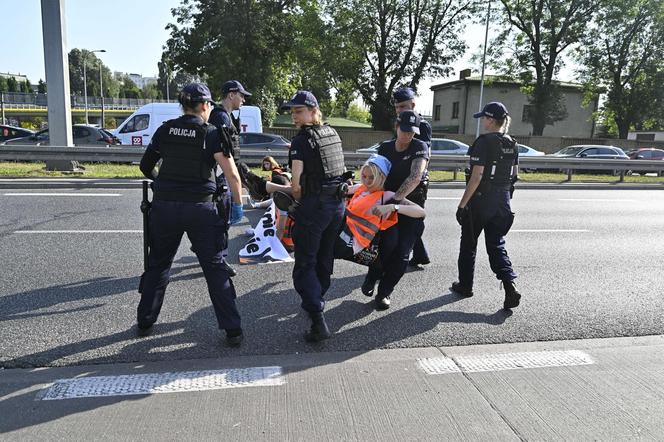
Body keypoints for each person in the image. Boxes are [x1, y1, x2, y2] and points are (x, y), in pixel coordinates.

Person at [137, 83, 244, 346]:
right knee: (215, 268)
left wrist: (164, 184)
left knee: (159, 264)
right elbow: (232, 174)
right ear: (206, 105)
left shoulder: (165, 130)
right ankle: (233, 330)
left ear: (183, 106)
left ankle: (145, 319)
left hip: (165, 208)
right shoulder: (211, 133)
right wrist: (238, 205)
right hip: (201, 209)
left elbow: (145, 166)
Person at [281, 90, 346, 342]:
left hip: (315, 207)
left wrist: (295, 201)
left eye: (298, 111)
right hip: (337, 206)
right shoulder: (332, 133)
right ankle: (317, 298)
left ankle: (318, 321)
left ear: (313, 111)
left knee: (305, 263)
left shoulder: (300, 141)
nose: (294, 116)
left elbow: (296, 185)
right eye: (292, 112)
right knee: (324, 256)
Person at [450, 101, 521, 310]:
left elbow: (477, 176)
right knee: (496, 244)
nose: (482, 122)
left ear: (491, 120)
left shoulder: (483, 142)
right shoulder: (512, 143)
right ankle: (510, 287)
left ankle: (465, 286)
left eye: (484, 118)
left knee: (468, 244)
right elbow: (514, 174)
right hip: (503, 201)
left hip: (481, 201)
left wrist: (462, 205)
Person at [362, 110, 430, 309]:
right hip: (384, 206)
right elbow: (373, 173)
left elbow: (415, 176)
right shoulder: (385, 148)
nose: (407, 135)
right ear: (397, 127)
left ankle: (384, 292)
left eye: (412, 132)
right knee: (385, 248)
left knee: (402, 254)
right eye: (404, 130)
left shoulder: (420, 147)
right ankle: (372, 275)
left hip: (408, 206)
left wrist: (395, 200)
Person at [335, 154, 426, 263]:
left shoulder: (387, 195)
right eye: (364, 176)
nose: (367, 181)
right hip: (343, 233)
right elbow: (340, 191)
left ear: (382, 177)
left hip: (354, 242)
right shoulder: (361, 188)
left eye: (372, 177)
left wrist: (392, 207)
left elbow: (421, 212)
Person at [207, 80, 252, 276]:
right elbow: (225, 154)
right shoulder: (220, 118)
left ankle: (207, 246)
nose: (243, 99)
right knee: (222, 220)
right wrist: (237, 196)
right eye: (241, 95)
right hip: (220, 176)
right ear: (231, 94)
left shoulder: (224, 116)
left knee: (219, 220)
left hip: (221, 174)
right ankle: (219, 259)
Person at [392, 87, 432, 268]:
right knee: (405, 219)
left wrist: (417, 177)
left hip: (416, 180)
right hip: (402, 178)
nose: (399, 110)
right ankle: (421, 254)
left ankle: (403, 258)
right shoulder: (400, 122)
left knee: (413, 220)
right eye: (397, 108)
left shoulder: (421, 126)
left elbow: (425, 154)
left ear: (413, 104)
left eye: (402, 106)